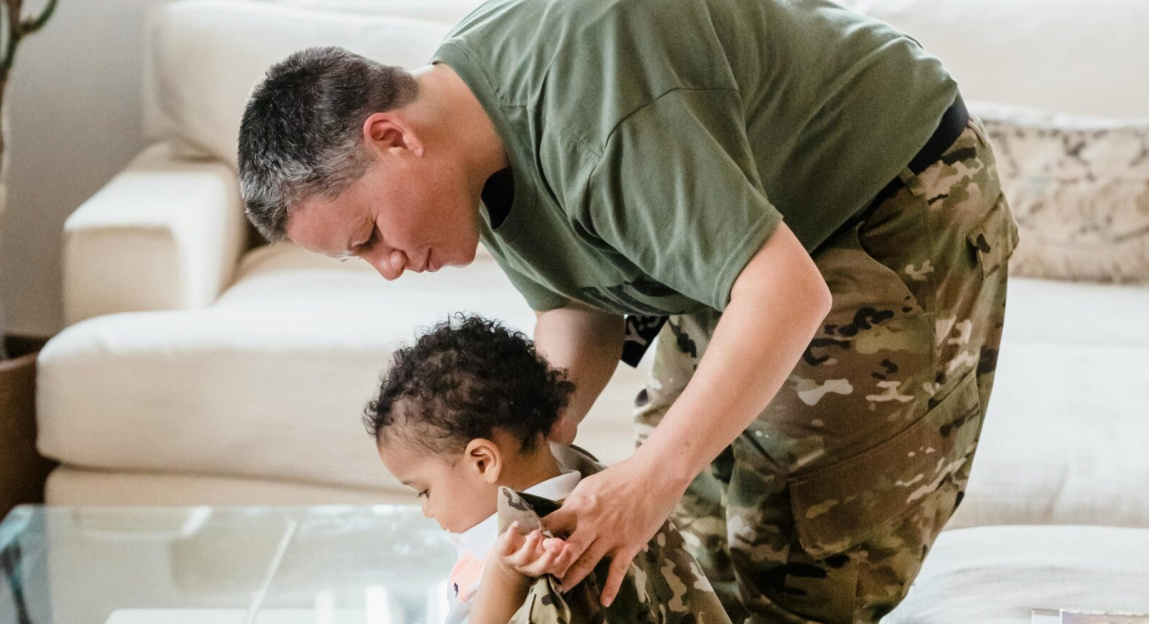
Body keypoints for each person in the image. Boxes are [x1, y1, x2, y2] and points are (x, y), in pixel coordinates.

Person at [237, 0, 1019, 619]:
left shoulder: (593, 111)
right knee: (685, 545)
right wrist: (525, 455)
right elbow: (580, 312)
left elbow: (784, 291)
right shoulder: (467, 153)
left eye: (372, 235)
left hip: (882, 203)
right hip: (741, 249)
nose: (389, 269)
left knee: (807, 564)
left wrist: (648, 482)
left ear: (393, 137)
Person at [365, 314, 730, 624]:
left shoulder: (542, 555)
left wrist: (504, 576)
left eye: (425, 490)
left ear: (483, 461)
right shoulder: (598, 494)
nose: (427, 510)